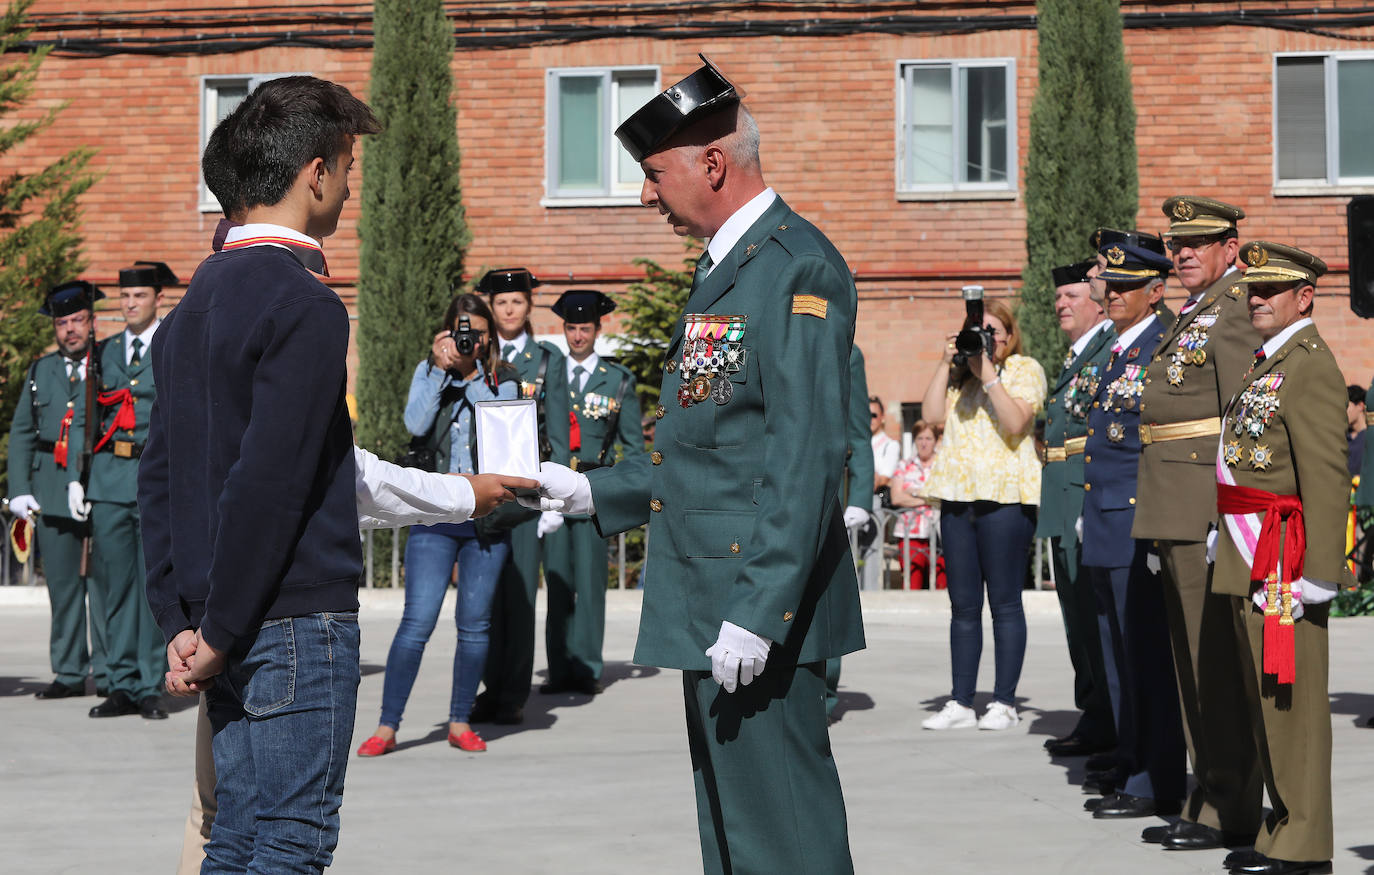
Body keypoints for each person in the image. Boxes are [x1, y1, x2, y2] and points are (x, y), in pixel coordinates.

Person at [140, 76, 535, 871]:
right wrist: (215, 631)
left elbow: (162, 476)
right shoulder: (304, 302)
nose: (351, 188)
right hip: (288, 619)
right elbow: (270, 482)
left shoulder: (191, 307)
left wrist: (182, 615)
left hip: (222, 613)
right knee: (292, 839)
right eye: (349, 167)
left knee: (240, 833)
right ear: (314, 174)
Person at [537, 57, 865, 874]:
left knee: (783, 839)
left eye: (654, 173)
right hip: (718, 600)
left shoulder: (795, 266)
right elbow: (712, 449)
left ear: (711, 164)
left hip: (758, 609)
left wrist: (759, 609)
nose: (646, 195)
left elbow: (804, 456)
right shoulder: (729, 268)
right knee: (734, 836)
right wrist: (591, 488)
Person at [1213, 242, 1349, 875]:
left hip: (1287, 557)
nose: (1256, 299)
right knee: (1266, 700)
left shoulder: (1310, 365)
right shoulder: (1269, 360)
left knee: (1291, 702)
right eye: (1251, 290)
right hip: (1252, 545)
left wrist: (1322, 572)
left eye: (1269, 290)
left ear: (1304, 296)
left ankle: (1305, 842)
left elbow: (1324, 474)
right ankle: (1280, 827)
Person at [1133, 196, 1262, 851]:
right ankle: (1206, 790)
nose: (1182, 252)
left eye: (1199, 242)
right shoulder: (1195, 311)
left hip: (1201, 506)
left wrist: (1226, 512)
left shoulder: (1232, 307)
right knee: (1191, 661)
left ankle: (1229, 803)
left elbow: (1242, 416)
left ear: (1230, 247)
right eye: (1176, 243)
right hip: (1174, 503)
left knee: (1213, 664)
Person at [356, 293, 520, 757]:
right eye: (461, 331)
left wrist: (470, 376)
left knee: (474, 625)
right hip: (434, 514)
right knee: (417, 621)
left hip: (486, 519)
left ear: (489, 337)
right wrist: (436, 367)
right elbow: (415, 422)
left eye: (478, 332)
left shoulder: (504, 380)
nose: (470, 340)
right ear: (448, 333)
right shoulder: (431, 371)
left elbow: (501, 427)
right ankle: (388, 726)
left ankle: (460, 720)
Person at [1077, 243, 1186, 820]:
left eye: (1127, 284)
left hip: (1134, 518)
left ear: (1156, 290)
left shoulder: (1160, 346)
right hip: (1105, 516)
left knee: (1144, 655)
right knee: (1116, 653)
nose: (1113, 293)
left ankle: (1155, 776)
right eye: (1110, 284)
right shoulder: (1120, 350)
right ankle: (1130, 757)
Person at [919, 296, 1046, 731]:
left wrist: (988, 371)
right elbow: (931, 416)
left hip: (1005, 500)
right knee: (963, 607)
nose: (985, 338)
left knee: (1006, 603)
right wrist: (945, 362)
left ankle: (1005, 702)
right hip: (958, 498)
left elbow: (1015, 422)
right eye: (979, 330)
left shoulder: (1024, 370)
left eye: (993, 331)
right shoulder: (960, 378)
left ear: (1009, 338)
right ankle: (960, 701)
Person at [77, 261, 178, 721]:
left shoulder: (174, 342)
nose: (130, 304)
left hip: (157, 478)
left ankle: (148, 683)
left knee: (152, 588)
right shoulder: (103, 352)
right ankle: (117, 682)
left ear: (158, 298)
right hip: (110, 478)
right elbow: (87, 419)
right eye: (125, 297)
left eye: (139, 296)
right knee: (112, 587)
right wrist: (79, 480)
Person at [471, 267, 570, 725]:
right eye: (501, 302)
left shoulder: (547, 359)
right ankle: (487, 687)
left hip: (527, 496)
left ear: (529, 306)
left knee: (520, 598)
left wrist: (557, 501)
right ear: (491, 308)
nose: (509, 309)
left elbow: (560, 435)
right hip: (481, 491)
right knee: (484, 598)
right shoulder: (477, 355)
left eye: (517, 301)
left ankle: (510, 694)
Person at [8, 280, 107, 700]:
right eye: (63, 323)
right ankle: (68, 672)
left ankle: (110, 672)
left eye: (77, 321)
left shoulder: (110, 363)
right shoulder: (40, 371)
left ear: (92, 322)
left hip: (102, 483)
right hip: (50, 484)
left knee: (106, 586)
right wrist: (19, 489)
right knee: (64, 586)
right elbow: (21, 434)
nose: (70, 330)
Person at [540, 289, 642, 695]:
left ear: (598, 329)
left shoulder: (618, 380)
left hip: (596, 490)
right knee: (559, 580)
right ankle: (558, 667)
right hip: (552, 491)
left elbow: (633, 447)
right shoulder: (550, 374)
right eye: (571, 328)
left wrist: (622, 494)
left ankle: (586, 668)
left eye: (585, 328)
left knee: (591, 582)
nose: (578, 336)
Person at [1037, 255, 1117, 758]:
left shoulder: (1108, 350)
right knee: (1076, 615)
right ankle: (1095, 712)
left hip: (1085, 492)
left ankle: (1110, 718)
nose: (1060, 303)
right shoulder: (1078, 356)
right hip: (1063, 496)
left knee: (1095, 616)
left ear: (1099, 305)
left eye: (1072, 295)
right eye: (1059, 296)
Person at [828, 343, 877, 716]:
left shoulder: (845, 350)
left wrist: (859, 494)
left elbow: (857, 428)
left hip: (822, 485)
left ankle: (823, 692)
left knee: (822, 592)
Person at [889, 420, 945, 589]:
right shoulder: (904, 465)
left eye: (928, 438)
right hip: (910, 533)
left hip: (939, 532)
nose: (924, 443)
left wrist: (912, 492)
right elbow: (896, 498)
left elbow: (944, 496)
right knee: (912, 585)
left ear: (936, 441)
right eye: (920, 438)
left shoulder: (943, 465)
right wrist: (927, 498)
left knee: (941, 585)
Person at [870, 395, 900, 491]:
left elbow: (884, 478)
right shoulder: (854, 442)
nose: (869, 419)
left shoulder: (891, 445)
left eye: (874, 415)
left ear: (882, 417)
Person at [1346, 384, 1366, 477]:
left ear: (1360, 406)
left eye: (1347, 406)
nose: (1343, 411)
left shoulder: (1369, 439)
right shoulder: (1343, 437)